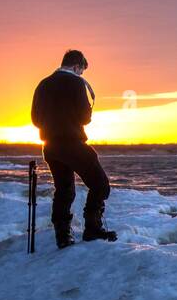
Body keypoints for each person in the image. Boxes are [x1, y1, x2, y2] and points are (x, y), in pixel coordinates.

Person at [30, 49, 117, 247]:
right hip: (72, 143)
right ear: (77, 66)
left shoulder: (43, 84)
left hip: (50, 147)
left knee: (64, 190)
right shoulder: (77, 83)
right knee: (100, 184)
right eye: (81, 71)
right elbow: (85, 118)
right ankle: (92, 229)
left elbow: (35, 120)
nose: (81, 75)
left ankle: (63, 236)